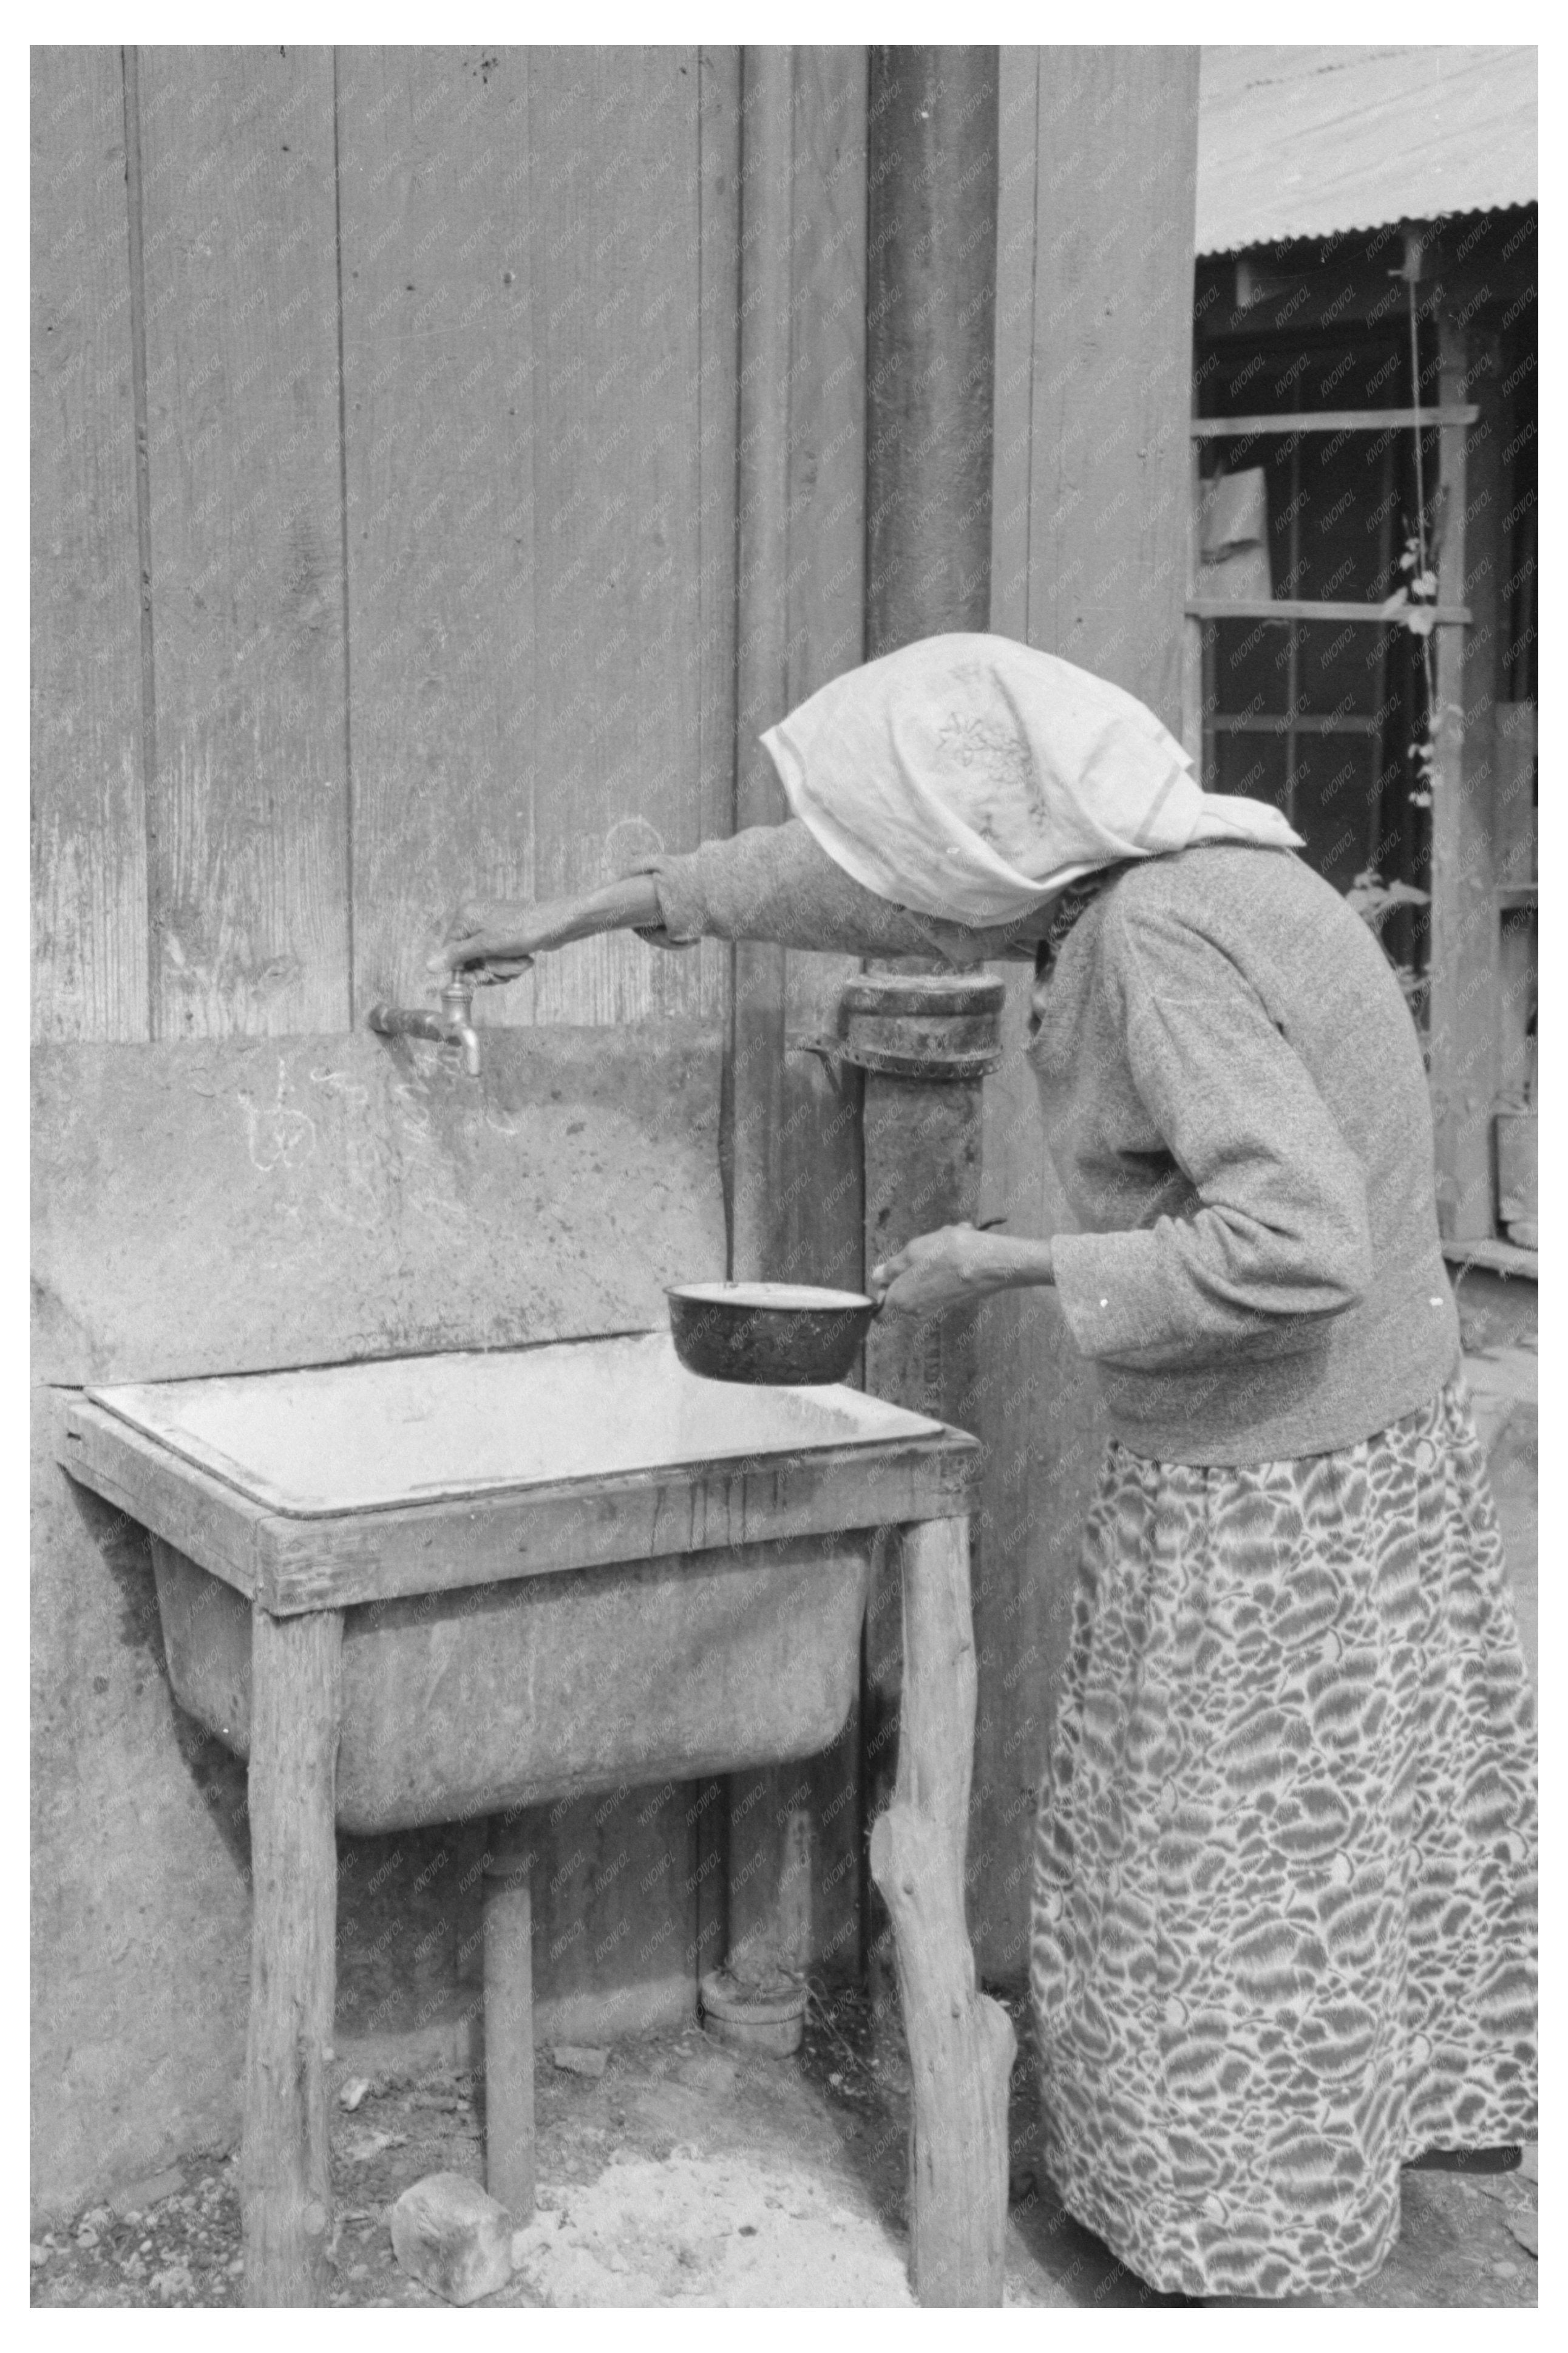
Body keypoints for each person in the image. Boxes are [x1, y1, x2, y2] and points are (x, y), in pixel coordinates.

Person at [432, 633, 1538, 2303]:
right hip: (1353, 1445)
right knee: (1320, 1870)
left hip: (1282, 1486)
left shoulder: (1158, 942)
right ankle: (1302, 2174)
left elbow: (1300, 1240)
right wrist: (591, 915)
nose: (908, 895)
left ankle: (1232, 2234)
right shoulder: (1167, 854)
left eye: (921, 855)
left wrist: (1013, 1263)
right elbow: (858, 889)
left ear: (993, 849)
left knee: (1224, 1874)